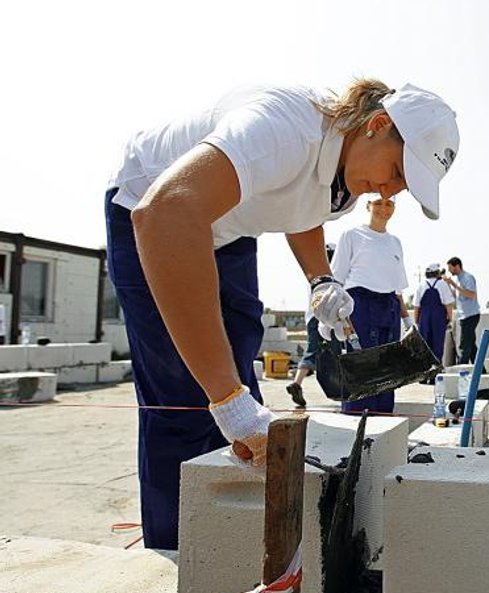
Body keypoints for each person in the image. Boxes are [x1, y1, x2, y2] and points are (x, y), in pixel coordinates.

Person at [105, 79, 459, 549]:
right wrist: (225, 399)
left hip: (227, 226)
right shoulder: (281, 129)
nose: (390, 190)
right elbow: (166, 212)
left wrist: (321, 279)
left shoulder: (350, 172)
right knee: (185, 395)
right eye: (396, 170)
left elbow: (305, 210)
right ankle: (177, 551)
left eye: (405, 185)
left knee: (240, 390)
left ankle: (230, 542)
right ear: (377, 125)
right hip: (150, 209)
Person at [321, 196, 412, 414]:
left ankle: (383, 427)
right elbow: (337, 279)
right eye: (378, 203)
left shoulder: (395, 242)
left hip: (388, 309)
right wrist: (326, 318)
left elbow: (397, 289)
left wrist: (407, 319)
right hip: (359, 306)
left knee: (387, 372)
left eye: (389, 204)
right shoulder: (352, 236)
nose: (383, 208)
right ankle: (356, 428)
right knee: (361, 370)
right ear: (368, 205)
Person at [286, 242, 337, 408]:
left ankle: (298, 383)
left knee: (313, 350)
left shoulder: (312, 276)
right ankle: (338, 387)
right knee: (329, 352)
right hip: (325, 317)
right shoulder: (329, 277)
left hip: (312, 317)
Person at [413, 263, 455, 368]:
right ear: (437, 273)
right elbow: (448, 305)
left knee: (424, 346)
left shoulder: (421, 285)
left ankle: (423, 373)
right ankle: (434, 374)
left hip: (424, 317)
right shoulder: (442, 284)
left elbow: (416, 306)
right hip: (438, 317)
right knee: (438, 345)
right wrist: (450, 319)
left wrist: (417, 321)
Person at [443, 257, 480, 364]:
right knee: (471, 345)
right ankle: (480, 369)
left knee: (464, 345)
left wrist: (454, 285)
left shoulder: (468, 278)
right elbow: (457, 296)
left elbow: (471, 294)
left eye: (450, 268)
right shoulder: (458, 279)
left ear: (457, 266)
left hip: (471, 315)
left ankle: (461, 367)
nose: (449, 271)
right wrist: (449, 285)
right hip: (463, 316)